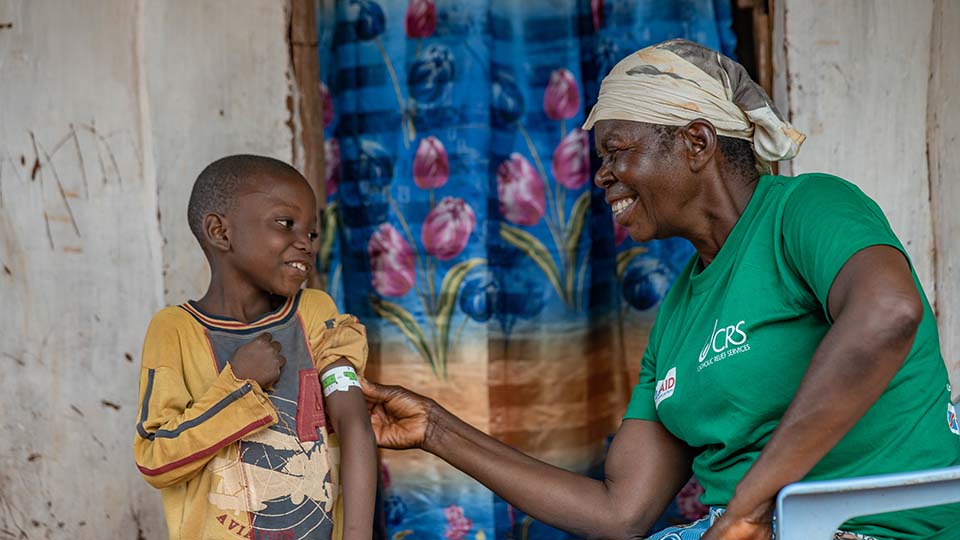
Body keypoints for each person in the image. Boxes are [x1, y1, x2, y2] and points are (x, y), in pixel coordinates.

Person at [361, 39, 960, 540]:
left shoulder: (807, 210)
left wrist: (751, 506)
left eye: (617, 152)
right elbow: (622, 512)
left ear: (697, 143)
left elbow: (888, 313)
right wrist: (436, 430)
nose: (600, 177)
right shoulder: (678, 314)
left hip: (876, 529)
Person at [133, 155, 376, 540]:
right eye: (286, 224)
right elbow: (155, 460)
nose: (306, 244)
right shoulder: (175, 331)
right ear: (220, 232)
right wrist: (240, 387)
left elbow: (354, 424)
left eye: (312, 233)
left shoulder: (315, 313)